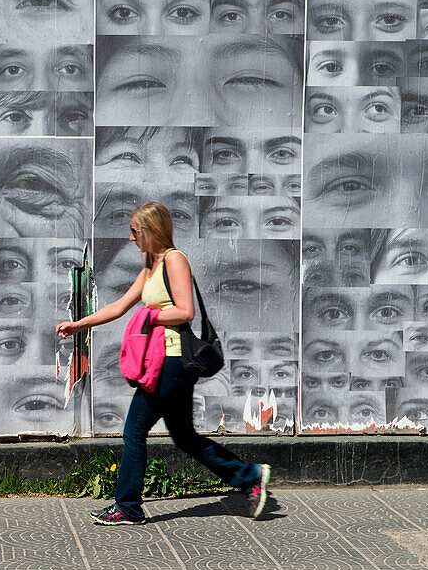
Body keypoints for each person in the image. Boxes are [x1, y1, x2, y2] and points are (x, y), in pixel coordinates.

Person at [55, 201, 271, 524]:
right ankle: (250, 475)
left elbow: (185, 311)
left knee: (134, 430)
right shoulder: (150, 268)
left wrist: (151, 316)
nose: (131, 238)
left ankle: (127, 505)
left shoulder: (175, 261)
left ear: (153, 232)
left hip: (170, 362)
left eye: (135, 231)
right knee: (184, 437)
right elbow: (117, 307)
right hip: (165, 363)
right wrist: (78, 325)